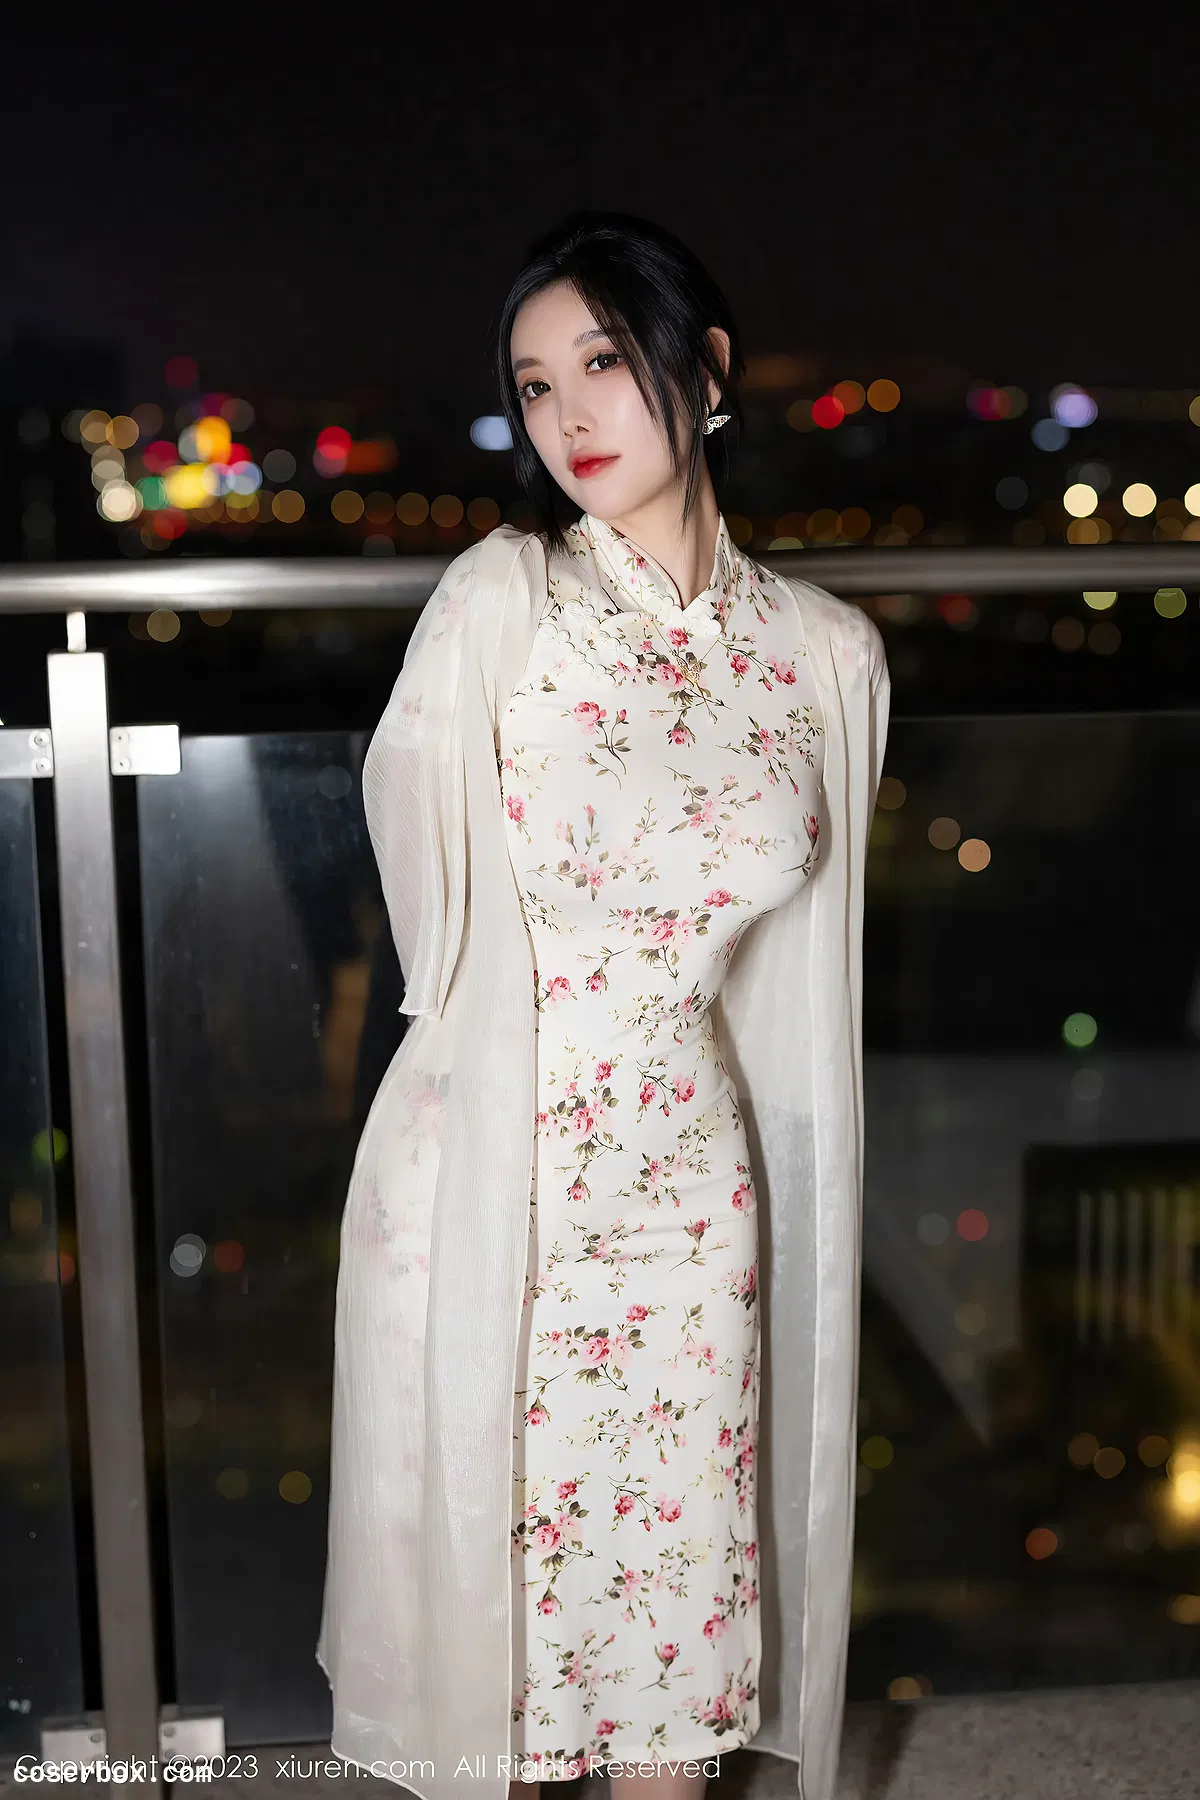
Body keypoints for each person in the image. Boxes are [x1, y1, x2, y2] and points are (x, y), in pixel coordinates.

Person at [318, 212, 890, 1800]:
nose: (566, 414)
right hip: (492, 1169)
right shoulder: (505, 598)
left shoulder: (826, 657)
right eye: (532, 383)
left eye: (602, 363)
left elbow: (803, 979)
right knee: (489, 1670)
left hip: (691, 1190)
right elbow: (424, 899)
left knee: (670, 1662)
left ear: (705, 373)